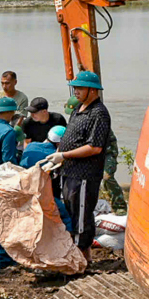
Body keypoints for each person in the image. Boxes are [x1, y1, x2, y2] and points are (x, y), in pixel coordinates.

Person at [45, 71, 113, 264]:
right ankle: (82, 256)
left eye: (80, 88)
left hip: (84, 174)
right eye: (75, 87)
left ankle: (81, 257)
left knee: (81, 215)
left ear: (93, 91)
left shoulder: (98, 113)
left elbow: (95, 147)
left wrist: (64, 155)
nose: (76, 91)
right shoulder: (79, 109)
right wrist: (60, 156)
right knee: (71, 211)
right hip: (69, 171)